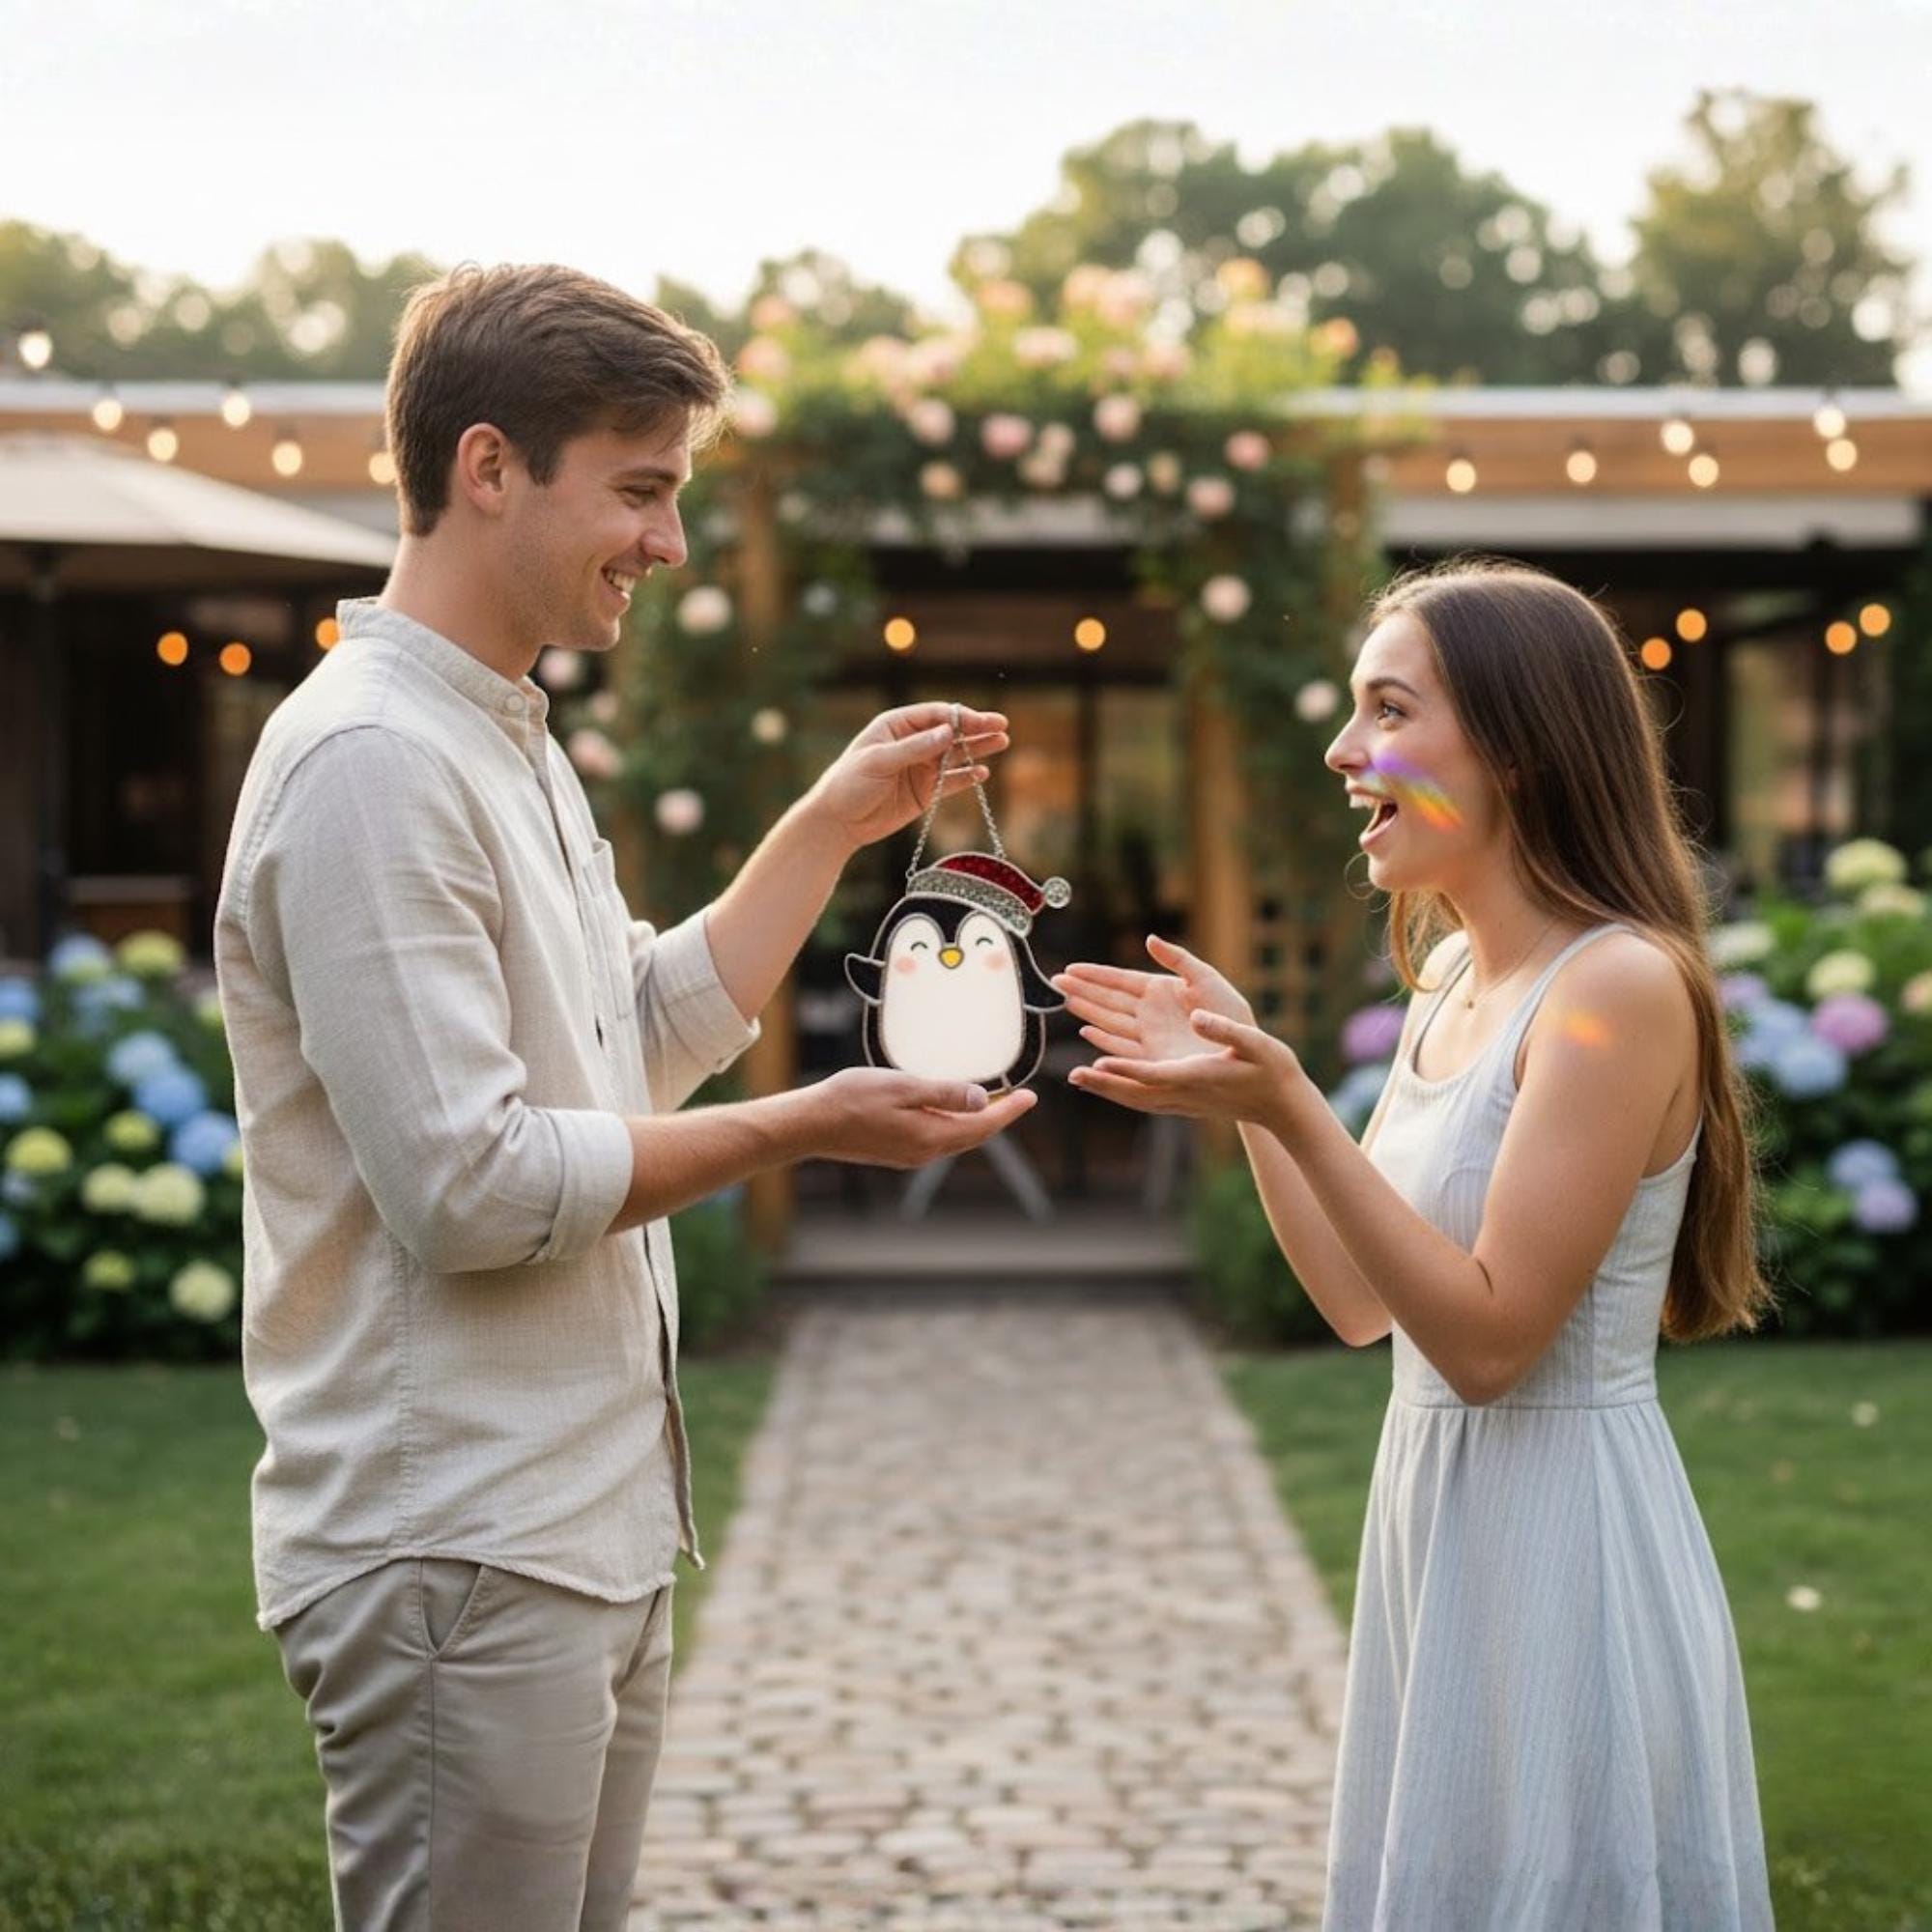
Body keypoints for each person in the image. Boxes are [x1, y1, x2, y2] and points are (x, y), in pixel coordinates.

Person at [212, 262, 1035, 1932]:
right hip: (455, 1539)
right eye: (641, 491)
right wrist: (812, 1124)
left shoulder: (501, 736)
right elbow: (472, 1190)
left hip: (576, 1523)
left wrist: (826, 819)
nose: (666, 543)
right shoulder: (374, 762)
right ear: (489, 466)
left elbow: (635, 1035)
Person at [1055, 557, 1776, 1929]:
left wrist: (1284, 1097)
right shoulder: (1455, 975)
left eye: (1388, 711)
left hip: (1564, 1541)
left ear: (1513, 746)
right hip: (1437, 1530)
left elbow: (1495, 1341)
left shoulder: (1609, 989)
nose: (1344, 751)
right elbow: (1353, 1301)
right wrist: (1248, 1099)